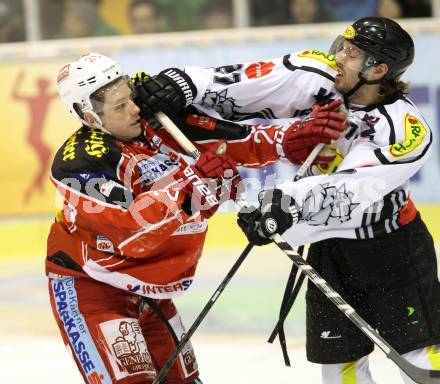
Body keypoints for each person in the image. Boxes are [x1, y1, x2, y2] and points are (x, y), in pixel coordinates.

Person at [131, 17, 440, 384]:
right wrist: (184, 84)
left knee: (422, 354)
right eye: (341, 44)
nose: (339, 56)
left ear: (379, 70)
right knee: (340, 363)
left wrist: (286, 205)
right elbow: (243, 85)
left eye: (353, 53)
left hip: (390, 249)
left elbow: (351, 191)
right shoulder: (317, 74)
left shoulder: (404, 129)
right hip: (329, 247)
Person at [47, 53, 345, 384]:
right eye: (120, 106)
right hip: (95, 289)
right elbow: (133, 231)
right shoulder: (81, 165)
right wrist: (192, 187)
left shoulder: (153, 119)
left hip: (152, 291)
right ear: (89, 115)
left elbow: (226, 142)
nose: (134, 108)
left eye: (130, 96)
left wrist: (288, 140)